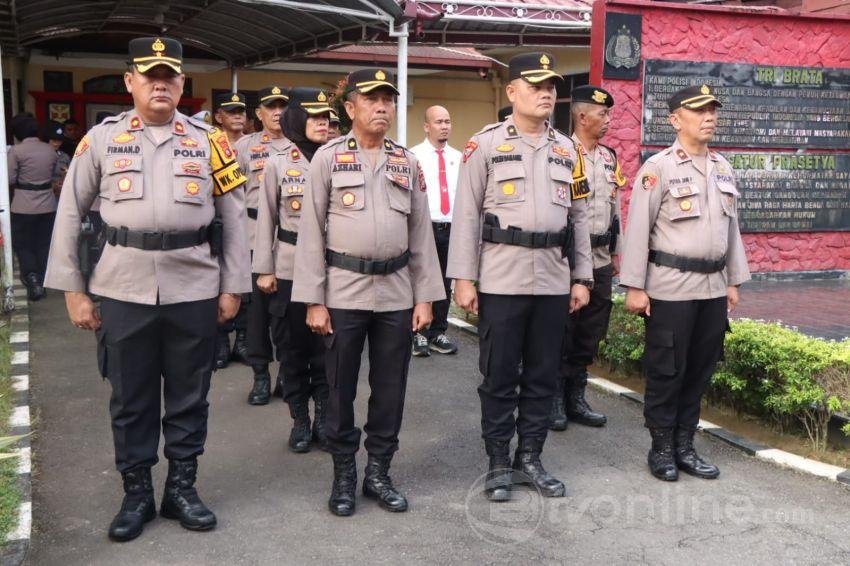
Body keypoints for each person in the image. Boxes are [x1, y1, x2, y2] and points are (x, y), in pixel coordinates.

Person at [45, 37, 250, 541]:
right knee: (131, 397)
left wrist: (234, 285)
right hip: (122, 287)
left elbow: (234, 214)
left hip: (194, 286)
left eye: (171, 76)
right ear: (130, 82)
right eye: (150, 75)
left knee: (190, 395)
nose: (161, 83)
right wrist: (73, 288)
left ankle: (181, 489)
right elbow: (71, 212)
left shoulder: (210, 140)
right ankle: (136, 494)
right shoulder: (102, 138)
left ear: (182, 84)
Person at [292, 69, 444, 517]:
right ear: (351, 108)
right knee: (339, 388)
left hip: (396, 292)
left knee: (390, 387)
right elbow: (310, 234)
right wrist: (314, 300)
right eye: (372, 99)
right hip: (343, 292)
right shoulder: (328, 158)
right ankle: (344, 473)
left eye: (388, 100)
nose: (382, 106)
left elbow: (421, 234)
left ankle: (379, 470)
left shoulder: (406, 162)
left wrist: (425, 297)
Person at [447, 52, 593, 502]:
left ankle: (529, 458)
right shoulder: (484, 145)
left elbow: (581, 217)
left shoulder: (569, 150)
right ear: (512, 92)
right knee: (498, 375)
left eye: (551, 85)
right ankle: (497, 463)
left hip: (552, 277)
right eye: (536, 85)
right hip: (501, 277)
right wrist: (463, 278)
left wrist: (582, 276)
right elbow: (467, 215)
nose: (547, 92)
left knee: (543, 376)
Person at [620, 84, 750, 482]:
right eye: (699, 111)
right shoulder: (658, 169)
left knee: (699, 370)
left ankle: (685, 446)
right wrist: (635, 287)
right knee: (667, 370)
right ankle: (661, 448)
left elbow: (732, 230)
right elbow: (638, 228)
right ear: (676, 120)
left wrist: (733, 280)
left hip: (712, 288)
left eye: (713, 110)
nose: (709, 117)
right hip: (671, 286)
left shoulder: (723, 168)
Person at [254, 87, 332, 453]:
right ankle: (300, 418)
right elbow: (266, 217)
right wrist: (264, 269)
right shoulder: (279, 162)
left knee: (330, 351)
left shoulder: (340, 157)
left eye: (326, 117)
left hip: (334, 271)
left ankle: (326, 419)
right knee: (293, 348)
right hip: (289, 268)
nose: (323, 123)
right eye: (314, 116)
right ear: (297, 119)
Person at [549, 86, 627, 431]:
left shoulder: (609, 157)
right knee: (563, 329)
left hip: (600, 257)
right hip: (568, 260)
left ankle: (576, 395)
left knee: (592, 330)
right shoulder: (561, 153)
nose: (608, 120)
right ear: (582, 117)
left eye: (609, 114)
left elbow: (615, 210)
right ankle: (553, 396)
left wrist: (617, 252)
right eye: (602, 114)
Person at [235, 85, 290, 404]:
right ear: (259, 113)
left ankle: (286, 372)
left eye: (282, 106)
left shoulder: (300, 145)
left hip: (289, 241)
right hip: (254, 236)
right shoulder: (245, 146)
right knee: (256, 314)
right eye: (271, 107)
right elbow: (231, 195)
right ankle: (260, 374)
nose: (277, 112)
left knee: (286, 314)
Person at [211, 91, 247, 369]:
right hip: (219, 224)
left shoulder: (254, 145)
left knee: (243, 286)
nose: (237, 116)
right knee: (219, 282)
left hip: (250, 224)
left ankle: (243, 340)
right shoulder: (211, 142)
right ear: (218, 116)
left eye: (241, 111)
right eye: (231, 111)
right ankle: (221, 339)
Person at [7, 115, 58, 301]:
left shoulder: (16, 151)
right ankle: (43, 278)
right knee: (44, 244)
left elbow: (10, 179)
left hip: (23, 205)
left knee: (24, 244)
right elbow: (52, 175)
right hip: (47, 204)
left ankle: (32, 278)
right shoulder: (50, 150)